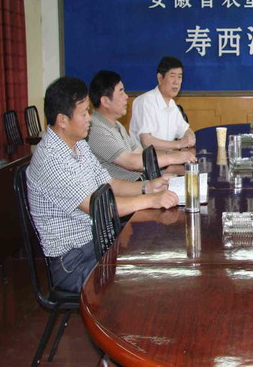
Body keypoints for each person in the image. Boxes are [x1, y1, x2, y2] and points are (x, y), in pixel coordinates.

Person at [27, 77, 179, 292]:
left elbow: (108, 182)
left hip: (98, 241)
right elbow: (98, 208)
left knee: (156, 258)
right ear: (62, 120)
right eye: (83, 113)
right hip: (73, 261)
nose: (89, 118)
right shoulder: (51, 160)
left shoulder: (78, 145)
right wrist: (151, 200)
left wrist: (148, 187)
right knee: (143, 281)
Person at [88, 70, 197, 181]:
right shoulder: (95, 129)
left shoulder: (116, 125)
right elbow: (131, 162)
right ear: (105, 101)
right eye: (121, 92)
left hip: (142, 181)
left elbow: (142, 154)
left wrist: (173, 160)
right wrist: (172, 158)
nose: (126, 96)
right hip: (127, 188)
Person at [129, 56, 196, 150]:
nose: (176, 82)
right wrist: (178, 144)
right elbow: (146, 142)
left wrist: (189, 136)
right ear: (160, 78)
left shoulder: (172, 104)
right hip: (145, 159)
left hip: (166, 157)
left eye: (179, 77)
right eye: (172, 76)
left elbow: (186, 130)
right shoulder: (145, 102)